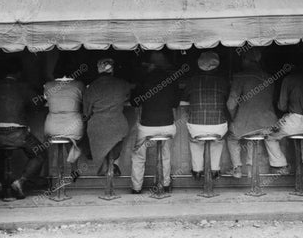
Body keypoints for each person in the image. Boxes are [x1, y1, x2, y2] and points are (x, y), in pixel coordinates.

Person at [0, 59, 45, 199]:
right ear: (19, 73)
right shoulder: (23, 87)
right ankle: (20, 181)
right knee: (39, 154)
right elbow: (37, 104)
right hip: (17, 134)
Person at [226, 48, 286, 178]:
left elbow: (231, 104)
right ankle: (251, 169)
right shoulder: (270, 77)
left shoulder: (240, 77)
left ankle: (237, 168)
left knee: (232, 137)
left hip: (246, 123)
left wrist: (233, 118)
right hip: (269, 124)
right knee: (253, 135)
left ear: (245, 60)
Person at [130, 52, 180, 194]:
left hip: (147, 127)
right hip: (168, 127)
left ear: (150, 65)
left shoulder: (144, 79)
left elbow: (134, 102)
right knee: (165, 153)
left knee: (138, 155)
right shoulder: (172, 79)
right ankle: (165, 184)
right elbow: (175, 103)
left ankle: (136, 188)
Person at [83, 58, 132, 176]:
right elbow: (128, 97)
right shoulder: (123, 84)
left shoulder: (92, 87)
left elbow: (86, 113)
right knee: (113, 146)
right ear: (112, 70)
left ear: (98, 70)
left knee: (96, 141)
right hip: (118, 126)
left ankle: (104, 166)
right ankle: (111, 165)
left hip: (97, 128)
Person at [184, 51, 228, 179]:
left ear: (198, 64)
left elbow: (184, 98)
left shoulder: (192, 81)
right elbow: (228, 100)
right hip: (218, 127)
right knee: (217, 141)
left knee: (196, 142)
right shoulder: (223, 81)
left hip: (196, 126)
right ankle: (215, 170)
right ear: (218, 65)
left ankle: (197, 170)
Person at [43, 60, 85, 176]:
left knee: (58, 135)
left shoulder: (48, 85)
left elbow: (47, 101)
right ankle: (74, 167)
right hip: (74, 127)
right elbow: (84, 100)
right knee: (74, 135)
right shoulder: (79, 85)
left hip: (52, 128)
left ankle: (48, 174)